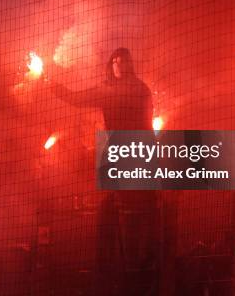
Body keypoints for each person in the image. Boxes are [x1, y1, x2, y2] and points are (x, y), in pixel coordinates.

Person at [49, 47, 157, 294]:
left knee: (138, 215)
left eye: (124, 61)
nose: (119, 65)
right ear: (112, 65)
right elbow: (75, 98)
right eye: (116, 61)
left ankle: (138, 274)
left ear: (130, 64)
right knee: (112, 211)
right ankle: (115, 275)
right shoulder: (106, 90)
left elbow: (148, 125)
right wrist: (51, 84)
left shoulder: (140, 90)